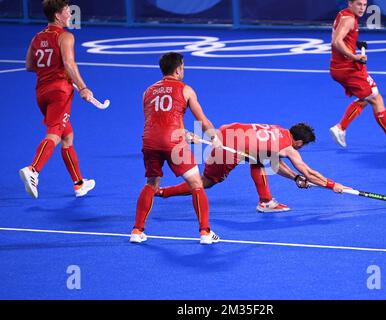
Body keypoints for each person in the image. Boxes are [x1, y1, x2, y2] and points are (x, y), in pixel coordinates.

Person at [130, 52, 221, 245]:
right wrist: (214, 138)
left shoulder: (147, 92)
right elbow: (202, 120)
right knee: (197, 183)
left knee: (151, 183)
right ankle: (205, 232)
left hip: (149, 140)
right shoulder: (186, 89)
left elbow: (157, 121)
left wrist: (185, 134)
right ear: (179, 69)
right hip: (173, 142)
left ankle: (137, 230)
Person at [156, 123, 348, 207]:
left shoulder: (278, 130)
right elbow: (309, 171)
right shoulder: (289, 148)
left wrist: (296, 178)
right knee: (207, 182)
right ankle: (163, 192)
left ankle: (265, 201)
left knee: (257, 159)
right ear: (299, 143)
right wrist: (332, 185)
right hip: (229, 146)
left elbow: (274, 163)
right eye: (302, 146)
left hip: (229, 131)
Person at [19, 0, 95, 199]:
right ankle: (33, 169)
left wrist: (50, 69)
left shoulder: (37, 37)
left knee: (67, 136)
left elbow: (29, 65)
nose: (70, 15)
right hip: (60, 92)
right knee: (54, 134)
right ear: (57, 15)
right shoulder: (65, 37)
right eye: (67, 12)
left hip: (41, 93)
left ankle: (79, 183)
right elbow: (69, 64)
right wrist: (83, 87)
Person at [329, 0, 386, 149]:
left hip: (340, 67)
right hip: (348, 69)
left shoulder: (342, 15)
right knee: (376, 99)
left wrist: (353, 45)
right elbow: (336, 42)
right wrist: (355, 56)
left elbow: (339, 38)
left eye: (364, 4)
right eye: (358, 4)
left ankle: (341, 128)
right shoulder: (349, 19)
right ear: (350, 3)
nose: (362, 8)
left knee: (367, 97)